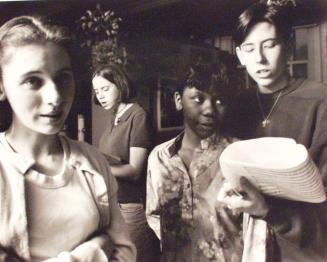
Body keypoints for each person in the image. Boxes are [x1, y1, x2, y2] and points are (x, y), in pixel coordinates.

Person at [0, 15, 136, 261]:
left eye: (63, 77)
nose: (55, 96)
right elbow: (108, 247)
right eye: (33, 81)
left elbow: (125, 250)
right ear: (2, 86)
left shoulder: (93, 161)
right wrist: (92, 251)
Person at [220, 2, 327, 261]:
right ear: (240, 55)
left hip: (305, 248)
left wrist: (267, 208)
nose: (259, 58)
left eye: (269, 45)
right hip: (248, 246)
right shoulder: (236, 107)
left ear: (289, 47)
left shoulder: (319, 99)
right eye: (249, 48)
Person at [146, 62, 243, 262]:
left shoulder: (239, 155)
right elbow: (154, 214)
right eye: (198, 99)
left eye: (218, 101)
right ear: (178, 100)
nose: (209, 110)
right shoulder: (160, 158)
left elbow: (256, 226)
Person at [92, 64, 160, 262]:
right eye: (97, 91)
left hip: (132, 205)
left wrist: (99, 167)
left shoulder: (137, 115)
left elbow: (134, 170)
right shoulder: (115, 117)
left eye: (105, 89)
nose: (101, 95)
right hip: (113, 203)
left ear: (120, 86)